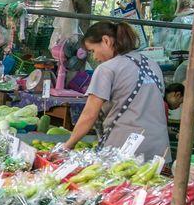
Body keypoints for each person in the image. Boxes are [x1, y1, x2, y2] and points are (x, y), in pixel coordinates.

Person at [64, 21, 169, 159]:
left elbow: (89, 115)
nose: (94, 57)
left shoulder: (107, 69)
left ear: (106, 41)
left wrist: (67, 146)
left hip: (125, 151)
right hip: (160, 151)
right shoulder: (154, 65)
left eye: (92, 51)